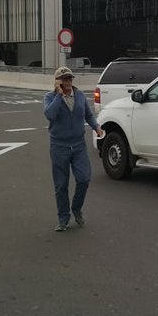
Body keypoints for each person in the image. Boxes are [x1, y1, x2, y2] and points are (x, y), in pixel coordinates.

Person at [43, 67, 102, 232]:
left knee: (84, 179)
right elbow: (50, 115)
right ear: (57, 82)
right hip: (58, 146)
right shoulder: (50, 97)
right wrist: (59, 95)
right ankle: (63, 218)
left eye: (69, 78)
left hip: (78, 145)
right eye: (64, 79)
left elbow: (88, 115)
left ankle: (76, 208)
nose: (67, 82)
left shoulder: (80, 95)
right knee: (61, 185)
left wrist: (96, 127)